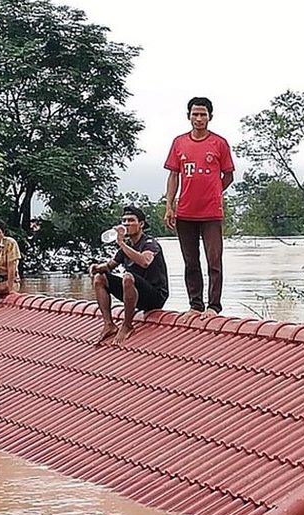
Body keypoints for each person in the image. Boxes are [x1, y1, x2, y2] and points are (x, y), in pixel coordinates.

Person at [163, 96, 235, 317]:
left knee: (214, 260)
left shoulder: (219, 143)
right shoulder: (179, 143)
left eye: (203, 114)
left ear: (210, 117)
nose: (199, 118)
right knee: (190, 261)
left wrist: (214, 192)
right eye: (195, 114)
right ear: (189, 116)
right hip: (185, 212)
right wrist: (169, 206)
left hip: (211, 212)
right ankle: (195, 305)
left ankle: (214, 306)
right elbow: (173, 175)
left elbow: (229, 175)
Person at [90, 206, 169, 345]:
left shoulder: (150, 243)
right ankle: (109, 324)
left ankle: (127, 325)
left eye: (131, 220)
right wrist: (96, 268)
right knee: (100, 278)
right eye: (124, 220)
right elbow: (110, 266)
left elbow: (145, 261)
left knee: (127, 277)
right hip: (134, 292)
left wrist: (121, 243)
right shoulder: (125, 247)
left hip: (154, 296)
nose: (126, 224)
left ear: (141, 224)